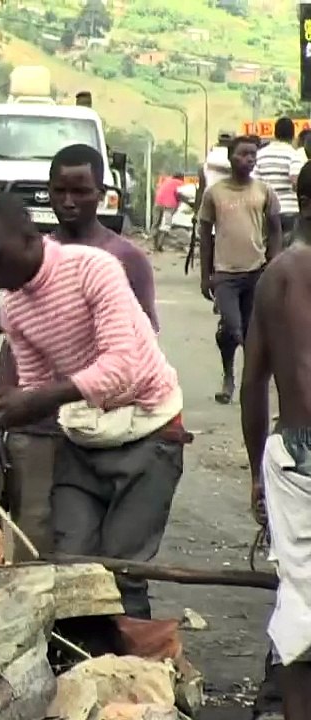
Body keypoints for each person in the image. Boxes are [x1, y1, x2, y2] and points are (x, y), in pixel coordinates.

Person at [0, 193, 186, 619]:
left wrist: (36, 399)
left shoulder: (94, 269)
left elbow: (121, 367)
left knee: (122, 571)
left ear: (29, 239)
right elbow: (37, 387)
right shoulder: (15, 310)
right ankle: (80, 670)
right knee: (71, 568)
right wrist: (3, 411)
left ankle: (131, 674)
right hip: (84, 437)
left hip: (149, 430)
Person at [0, 143, 160, 560]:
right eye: (59, 190)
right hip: (36, 432)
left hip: (103, 431)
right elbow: (16, 343)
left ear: (103, 192)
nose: (68, 201)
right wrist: (4, 413)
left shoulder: (124, 258)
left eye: (81, 191)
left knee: (92, 555)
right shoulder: (28, 255)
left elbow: (138, 349)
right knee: (32, 547)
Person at [240, 170, 311, 720]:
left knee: (301, 597)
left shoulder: (276, 275)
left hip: (294, 455)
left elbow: (252, 384)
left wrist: (257, 472)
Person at [198, 134, 282, 404]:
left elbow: (275, 228)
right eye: (242, 154)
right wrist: (205, 276)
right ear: (230, 157)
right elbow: (204, 233)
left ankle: (245, 384)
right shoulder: (215, 193)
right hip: (225, 274)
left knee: (249, 332)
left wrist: (274, 262)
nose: (248, 160)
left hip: (256, 271)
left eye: (252, 155)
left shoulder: (264, 191)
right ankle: (228, 373)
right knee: (232, 327)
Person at [256, 117, 305, 249]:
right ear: (293, 135)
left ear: (275, 133)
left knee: (270, 250)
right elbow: (296, 180)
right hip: (290, 211)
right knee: (289, 251)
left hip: (267, 211)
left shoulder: (260, 155)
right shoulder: (294, 155)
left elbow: (255, 183)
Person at [151, 173, 184, 247]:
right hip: (170, 204)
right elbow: (180, 195)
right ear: (181, 178)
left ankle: (154, 244)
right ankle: (160, 244)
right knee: (166, 224)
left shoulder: (166, 180)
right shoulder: (180, 183)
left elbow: (158, 188)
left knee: (156, 222)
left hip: (158, 201)